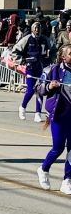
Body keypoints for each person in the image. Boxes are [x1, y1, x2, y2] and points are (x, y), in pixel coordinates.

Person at [35, 44, 71, 194]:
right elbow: (38, 89)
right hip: (58, 114)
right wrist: (49, 86)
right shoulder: (52, 69)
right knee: (58, 148)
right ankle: (43, 169)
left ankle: (67, 180)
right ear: (63, 56)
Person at [11, 21, 49, 122]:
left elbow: (53, 49)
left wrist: (49, 60)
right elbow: (15, 51)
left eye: (39, 28)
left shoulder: (45, 39)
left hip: (41, 68)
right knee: (31, 90)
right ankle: (22, 107)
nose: (37, 30)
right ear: (32, 29)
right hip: (31, 68)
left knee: (40, 90)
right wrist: (22, 61)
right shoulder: (27, 39)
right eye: (35, 28)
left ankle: (38, 113)